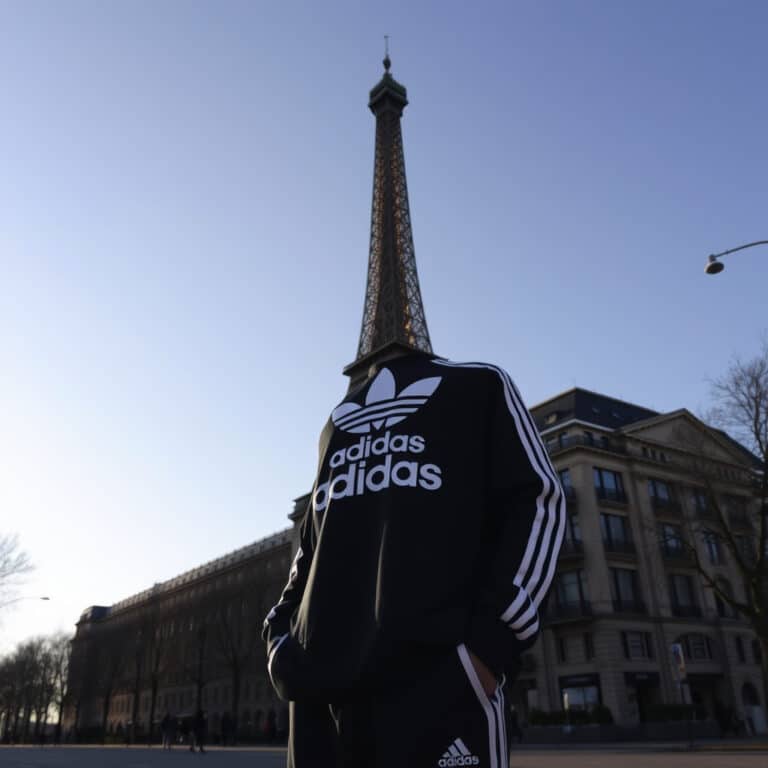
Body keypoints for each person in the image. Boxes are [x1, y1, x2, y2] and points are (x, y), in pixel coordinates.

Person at [263, 352, 565, 767]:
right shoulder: (337, 422)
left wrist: (487, 649)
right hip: (320, 713)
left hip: (436, 697)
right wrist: (281, 647)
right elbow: (310, 550)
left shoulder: (478, 385)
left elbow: (538, 500)